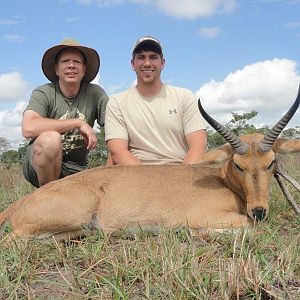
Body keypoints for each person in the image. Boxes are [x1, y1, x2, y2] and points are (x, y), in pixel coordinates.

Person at [105, 36, 207, 165]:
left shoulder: (185, 97)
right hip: (134, 177)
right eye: (141, 57)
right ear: (132, 64)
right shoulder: (117, 103)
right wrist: (150, 183)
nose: (147, 63)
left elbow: (198, 147)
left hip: (180, 173)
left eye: (153, 57)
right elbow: (118, 152)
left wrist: (182, 179)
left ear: (162, 63)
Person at [22, 38, 109, 187]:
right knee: (50, 139)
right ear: (56, 69)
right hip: (38, 166)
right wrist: (78, 122)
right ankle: (47, 196)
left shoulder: (95, 93)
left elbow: (114, 127)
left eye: (77, 62)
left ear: (84, 69)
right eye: (65, 61)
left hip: (76, 169)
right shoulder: (44, 92)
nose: (71, 66)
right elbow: (28, 127)